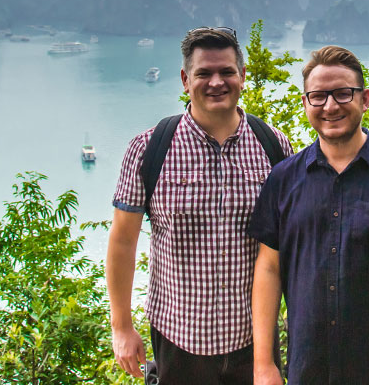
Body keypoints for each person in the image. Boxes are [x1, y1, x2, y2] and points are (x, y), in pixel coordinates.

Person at [249, 45, 369, 385]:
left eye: (343, 94)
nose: (330, 106)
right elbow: (268, 268)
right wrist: (264, 364)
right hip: (306, 369)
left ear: (365, 99)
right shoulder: (283, 179)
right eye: (319, 96)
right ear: (305, 103)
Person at [107, 26, 293, 385]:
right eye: (204, 73)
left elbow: (294, 239)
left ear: (242, 76)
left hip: (254, 339)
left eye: (226, 72)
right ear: (184, 79)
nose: (216, 82)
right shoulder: (149, 148)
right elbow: (123, 240)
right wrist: (122, 326)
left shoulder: (273, 146)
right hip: (179, 340)